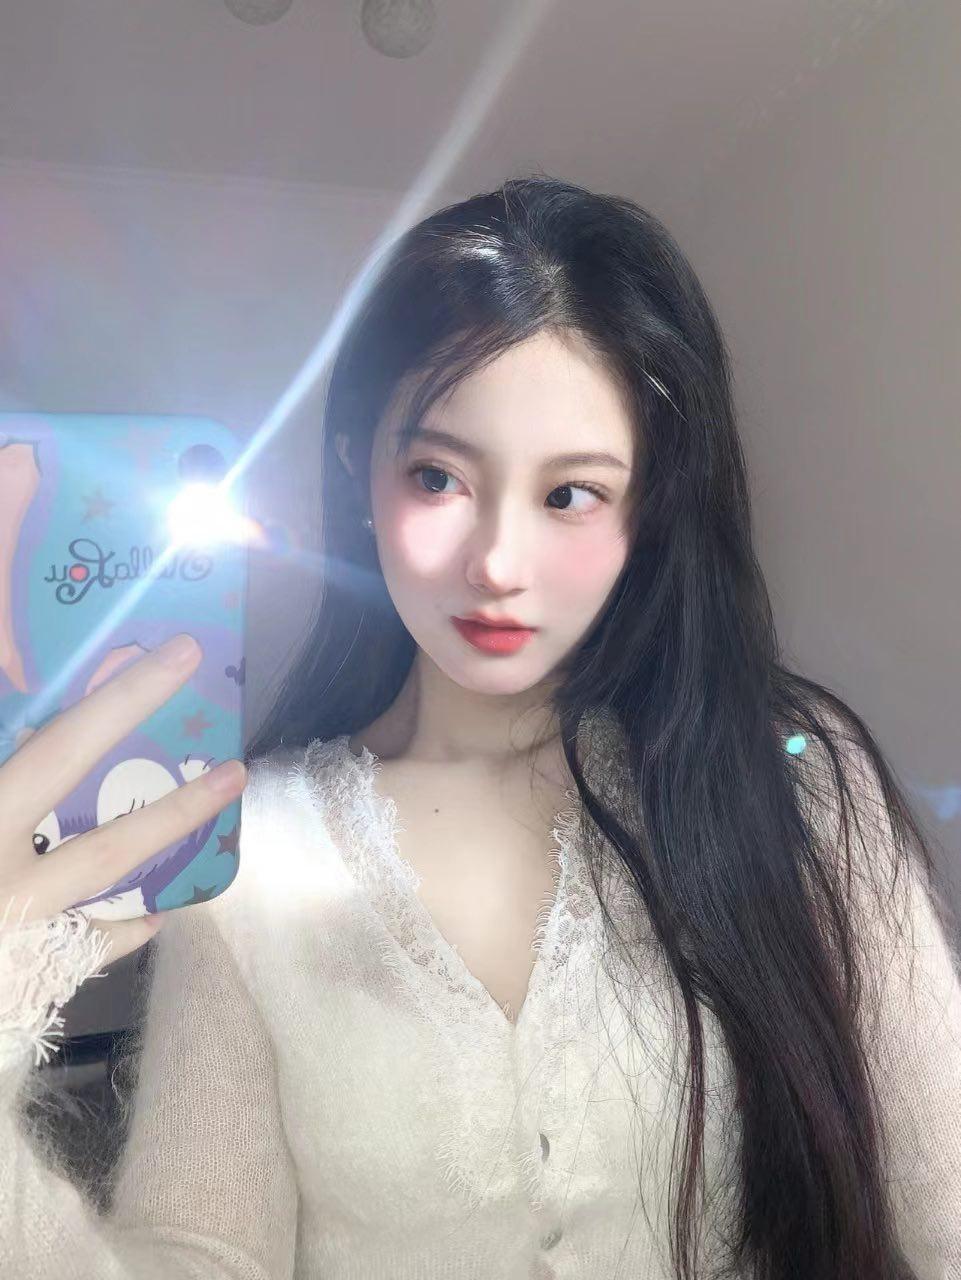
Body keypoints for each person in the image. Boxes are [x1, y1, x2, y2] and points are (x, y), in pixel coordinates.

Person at [1, 175, 959, 1280]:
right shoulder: (250, 846)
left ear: (650, 504)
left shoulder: (792, 784)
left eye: (569, 494)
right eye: (438, 474)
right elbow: (204, 1255)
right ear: (359, 468)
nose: (497, 565)